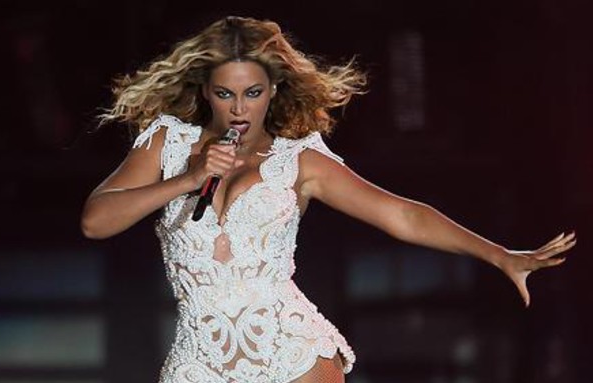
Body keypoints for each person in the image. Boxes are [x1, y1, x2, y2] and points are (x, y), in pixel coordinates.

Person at [80, 16, 576, 383]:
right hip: (199, 360)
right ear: (206, 91)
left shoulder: (300, 161)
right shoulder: (167, 145)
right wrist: (186, 182)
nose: (239, 109)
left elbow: (401, 214)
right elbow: (96, 221)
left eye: (252, 93)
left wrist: (500, 255)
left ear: (272, 89)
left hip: (290, 353)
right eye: (225, 94)